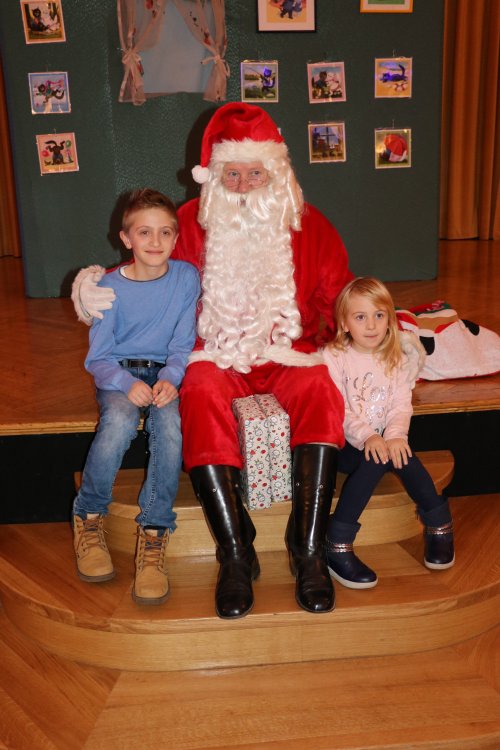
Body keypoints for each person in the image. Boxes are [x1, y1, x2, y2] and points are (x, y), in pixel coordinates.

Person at [71, 102, 353, 619]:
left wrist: (369, 339)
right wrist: (90, 287)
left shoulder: (310, 225)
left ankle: (308, 548)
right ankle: (236, 553)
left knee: (322, 391)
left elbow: (339, 299)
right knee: (197, 393)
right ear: (215, 177)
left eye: (254, 173)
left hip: (289, 353)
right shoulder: (188, 223)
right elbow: (143, 264)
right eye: (232, 174)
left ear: (276, 172)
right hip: (214, 355)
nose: (243, 186)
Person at [72, 189, 200, 606]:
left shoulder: (186, 278)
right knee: (119, 421)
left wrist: (172, 377)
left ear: (176, 237)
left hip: (165, 373)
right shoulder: (107, 288)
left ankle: (154, 531)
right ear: (126, 238)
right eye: (144, 232)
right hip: (119, 373)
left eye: (165, 232)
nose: (155, 241)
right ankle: (89, 516)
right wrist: (126, 383)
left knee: (171, 426)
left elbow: (182, 343)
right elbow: (98, 358)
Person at [322, 277, 455, 590]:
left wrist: (395, 436)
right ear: (344, 323)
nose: (371, 325)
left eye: (379, 315)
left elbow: (400, 406)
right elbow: (338, 409)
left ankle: (439, 525)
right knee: (376, 458)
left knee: (401, 455)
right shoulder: (334, 356)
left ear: (389, 320)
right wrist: (369, 436)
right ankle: (337, 543)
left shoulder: (396, 356)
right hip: (346, 444)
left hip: (384, 439)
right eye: (360, 317)